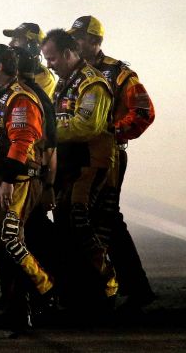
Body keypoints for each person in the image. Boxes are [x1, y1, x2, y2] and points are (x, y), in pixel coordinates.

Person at [68, 16, 157, 312]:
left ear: (96, 41)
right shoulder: (74, 73)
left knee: (106, 220)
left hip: (109, 155)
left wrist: (113, 132)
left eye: (79, 37)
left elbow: (144, 112)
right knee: (95, 220)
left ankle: (128, 287)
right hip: (80, 156)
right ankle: (114, 286)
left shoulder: (119, 73)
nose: (75, 42)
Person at [0, 45, 56, 332]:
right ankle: (17, 310)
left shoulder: (20, 98)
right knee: (0, 245)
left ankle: (46, 290)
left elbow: (23, 141)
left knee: (10, 240)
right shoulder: (1, 97)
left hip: (18, 181)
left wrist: (8, 180)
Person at [40, 29, 118, 310]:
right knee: (64, 222)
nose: (49, 64)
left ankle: (107, 287)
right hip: (70, 165)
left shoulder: (92, 83)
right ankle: (78, 291)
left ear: (68, 53)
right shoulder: (63, 83)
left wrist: (49, 132)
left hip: (92, 163)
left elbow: (87, 126)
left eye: (51, 58)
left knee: (79, 219)